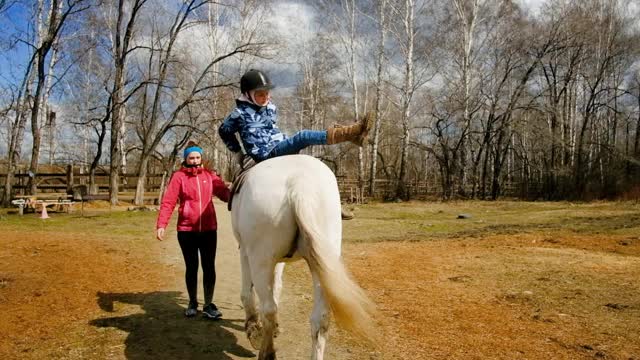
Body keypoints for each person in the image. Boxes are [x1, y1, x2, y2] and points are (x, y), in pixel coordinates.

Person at [218, 69, 372, 164]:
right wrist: (238, 153)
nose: (265, 97)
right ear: (247, 94)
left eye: (267, 93)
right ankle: (351, 132)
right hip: (265, 155)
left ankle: (352, 137)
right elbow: (224, 131)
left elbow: (272, 130)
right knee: (303, 136)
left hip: (279, 146)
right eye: (260, 94)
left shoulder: (270, 108)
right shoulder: (239, 114)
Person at [156, 142, 231, 319]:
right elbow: (168, 202)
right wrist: (161, 224)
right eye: (192, 158)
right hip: (186, 230)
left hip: (208, 229)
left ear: (201, 158)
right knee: (192, 267)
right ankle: (192, 302)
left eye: (197, 157)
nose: (195, 160)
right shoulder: (178, 177)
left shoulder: (210, 176)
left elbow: (226, 194)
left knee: (209, 266)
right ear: (186, 159)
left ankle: (208, 304)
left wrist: (241, 199)